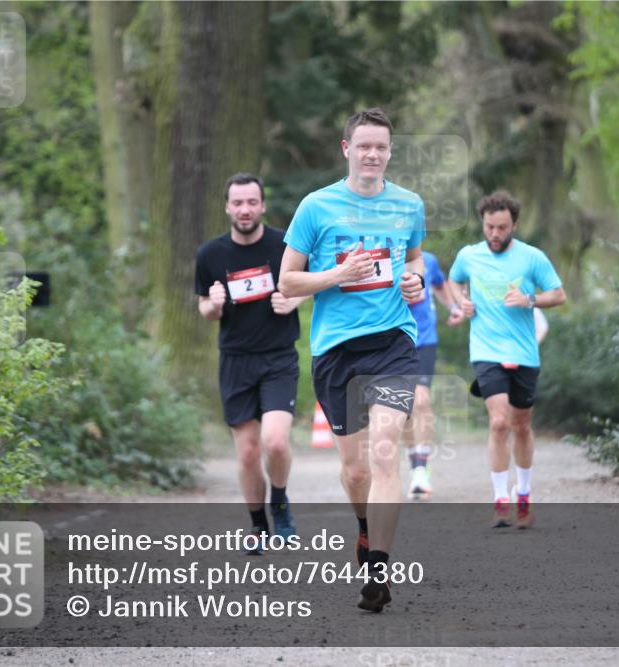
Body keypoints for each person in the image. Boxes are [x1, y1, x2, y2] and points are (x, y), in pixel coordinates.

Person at [278, 108, 425, 612]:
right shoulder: (316, 208)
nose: (373, 154)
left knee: (386, 450)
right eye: (364, 146)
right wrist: (336, 276)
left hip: (393, 342)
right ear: (347, 149)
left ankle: (380, 569)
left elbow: (415, 260)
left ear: (390, 151)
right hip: (336, 350)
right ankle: (365, 530)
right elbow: (287, 282)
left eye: (381, 147)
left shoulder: (408, 205)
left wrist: (417, 281)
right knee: (356, 472)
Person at [195, 173, 306, 554]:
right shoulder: (211, 255)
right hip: (236, 361)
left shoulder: (284, 246)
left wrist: (294, 300)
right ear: (227, 207)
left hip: (278, 357)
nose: (245, 210)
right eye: (238, 203)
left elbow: (308, 283)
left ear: (262, 206)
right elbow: (205, 311)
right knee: (246, 452)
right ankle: (258, 525)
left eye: (252, 203)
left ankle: (281, 504)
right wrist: (214, 303)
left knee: (274, 442)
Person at [447, 190, 566, 529]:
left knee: (522, 425)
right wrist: (461, 303)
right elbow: (455, 281)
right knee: (499, 422)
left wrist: (530, 300)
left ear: (514, 224)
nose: (495, 234)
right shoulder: (468, 256)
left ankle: (523, 494)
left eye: (501, 227)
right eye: (489, 227)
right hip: (486, 351)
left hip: (524, 352)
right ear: (482, 224)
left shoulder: (532, 258)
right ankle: (500, 499)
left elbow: (559, 295)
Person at [402, 250, 456, 500]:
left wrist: (453, 306)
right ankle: (414, 463)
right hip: (395, 343)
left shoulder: (429, 260)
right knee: (402, 408)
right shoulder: (381, 258)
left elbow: (440, 285)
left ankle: (421, 470)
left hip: (424, 340)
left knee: (421, 400)